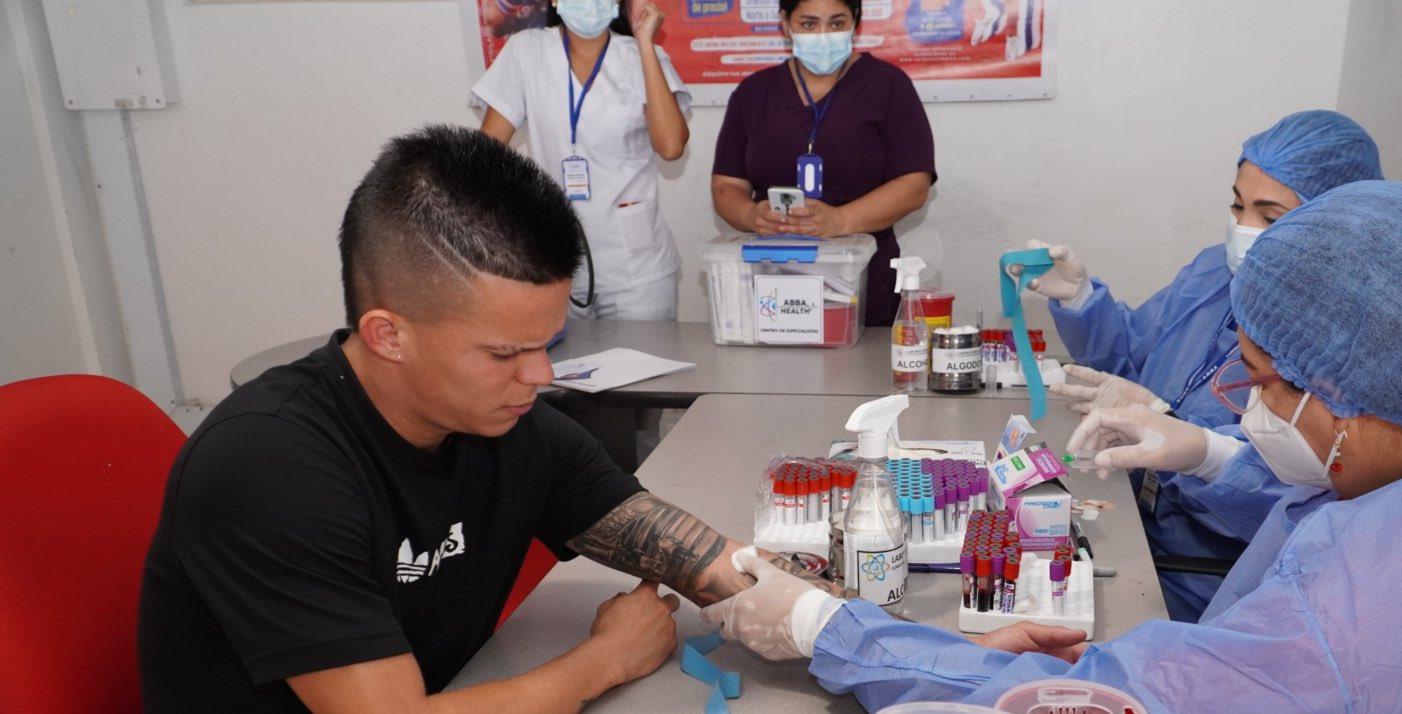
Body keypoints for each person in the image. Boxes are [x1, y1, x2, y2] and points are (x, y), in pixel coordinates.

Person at [703, 181, 1402, 711]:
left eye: (1260, 382)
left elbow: (1102, 704)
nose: (1239, 400)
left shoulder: (1356, 611)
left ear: (1358, 402)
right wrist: (1216, 456)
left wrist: (837, 628)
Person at [136, 126, 817, 712]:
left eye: (547, 344)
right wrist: (604, 659)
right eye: (504, 352)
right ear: (388, 334)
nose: (541, 376)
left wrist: (833, 617)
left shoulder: (505, 422)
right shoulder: (268, 469)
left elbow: (696, 557)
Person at [1019, 110, 1383, 620]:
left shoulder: (1349, 332)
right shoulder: (1215, 270)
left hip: (1219, 577)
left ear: (1336, 224)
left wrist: (1201, 450)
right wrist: (1081, 301)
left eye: (1270, 217)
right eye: (1237, 205)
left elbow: (1320, 505)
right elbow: (1133, 353)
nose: (1243, 228)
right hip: (1136, 522)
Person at [711, 0, 937, 326]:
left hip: (864, 277)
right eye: (808, 24)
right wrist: (750, 215)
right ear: (785, 23)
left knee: (860, 372)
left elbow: (914, 185)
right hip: (771, 280)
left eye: (836, 23)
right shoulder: (753, 92)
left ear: (855, 22)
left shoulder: (888, 85)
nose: (822, 35)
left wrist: (839, 220)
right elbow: (726, 185)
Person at [476, 0, 690, 321]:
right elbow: (484, 155)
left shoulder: (642, 56)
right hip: (556, 259)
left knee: (645, 366)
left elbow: (671, 146)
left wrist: (645, 43)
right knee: (566, 370)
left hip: (636, 267)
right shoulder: (526, 52)